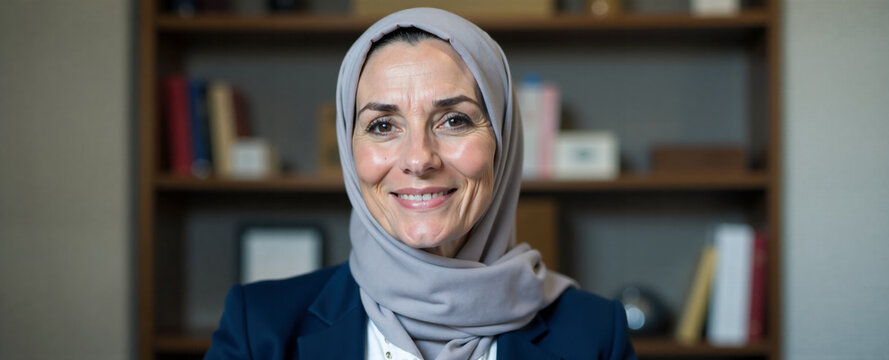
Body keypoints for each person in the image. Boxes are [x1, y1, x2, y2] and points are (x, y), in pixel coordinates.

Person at [205, 7, 635, 360]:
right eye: (382, 125)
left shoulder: (595, 334)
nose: (418, 159)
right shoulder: (258, 328)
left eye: (454, 120)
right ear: (349, 148)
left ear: (502, 142)